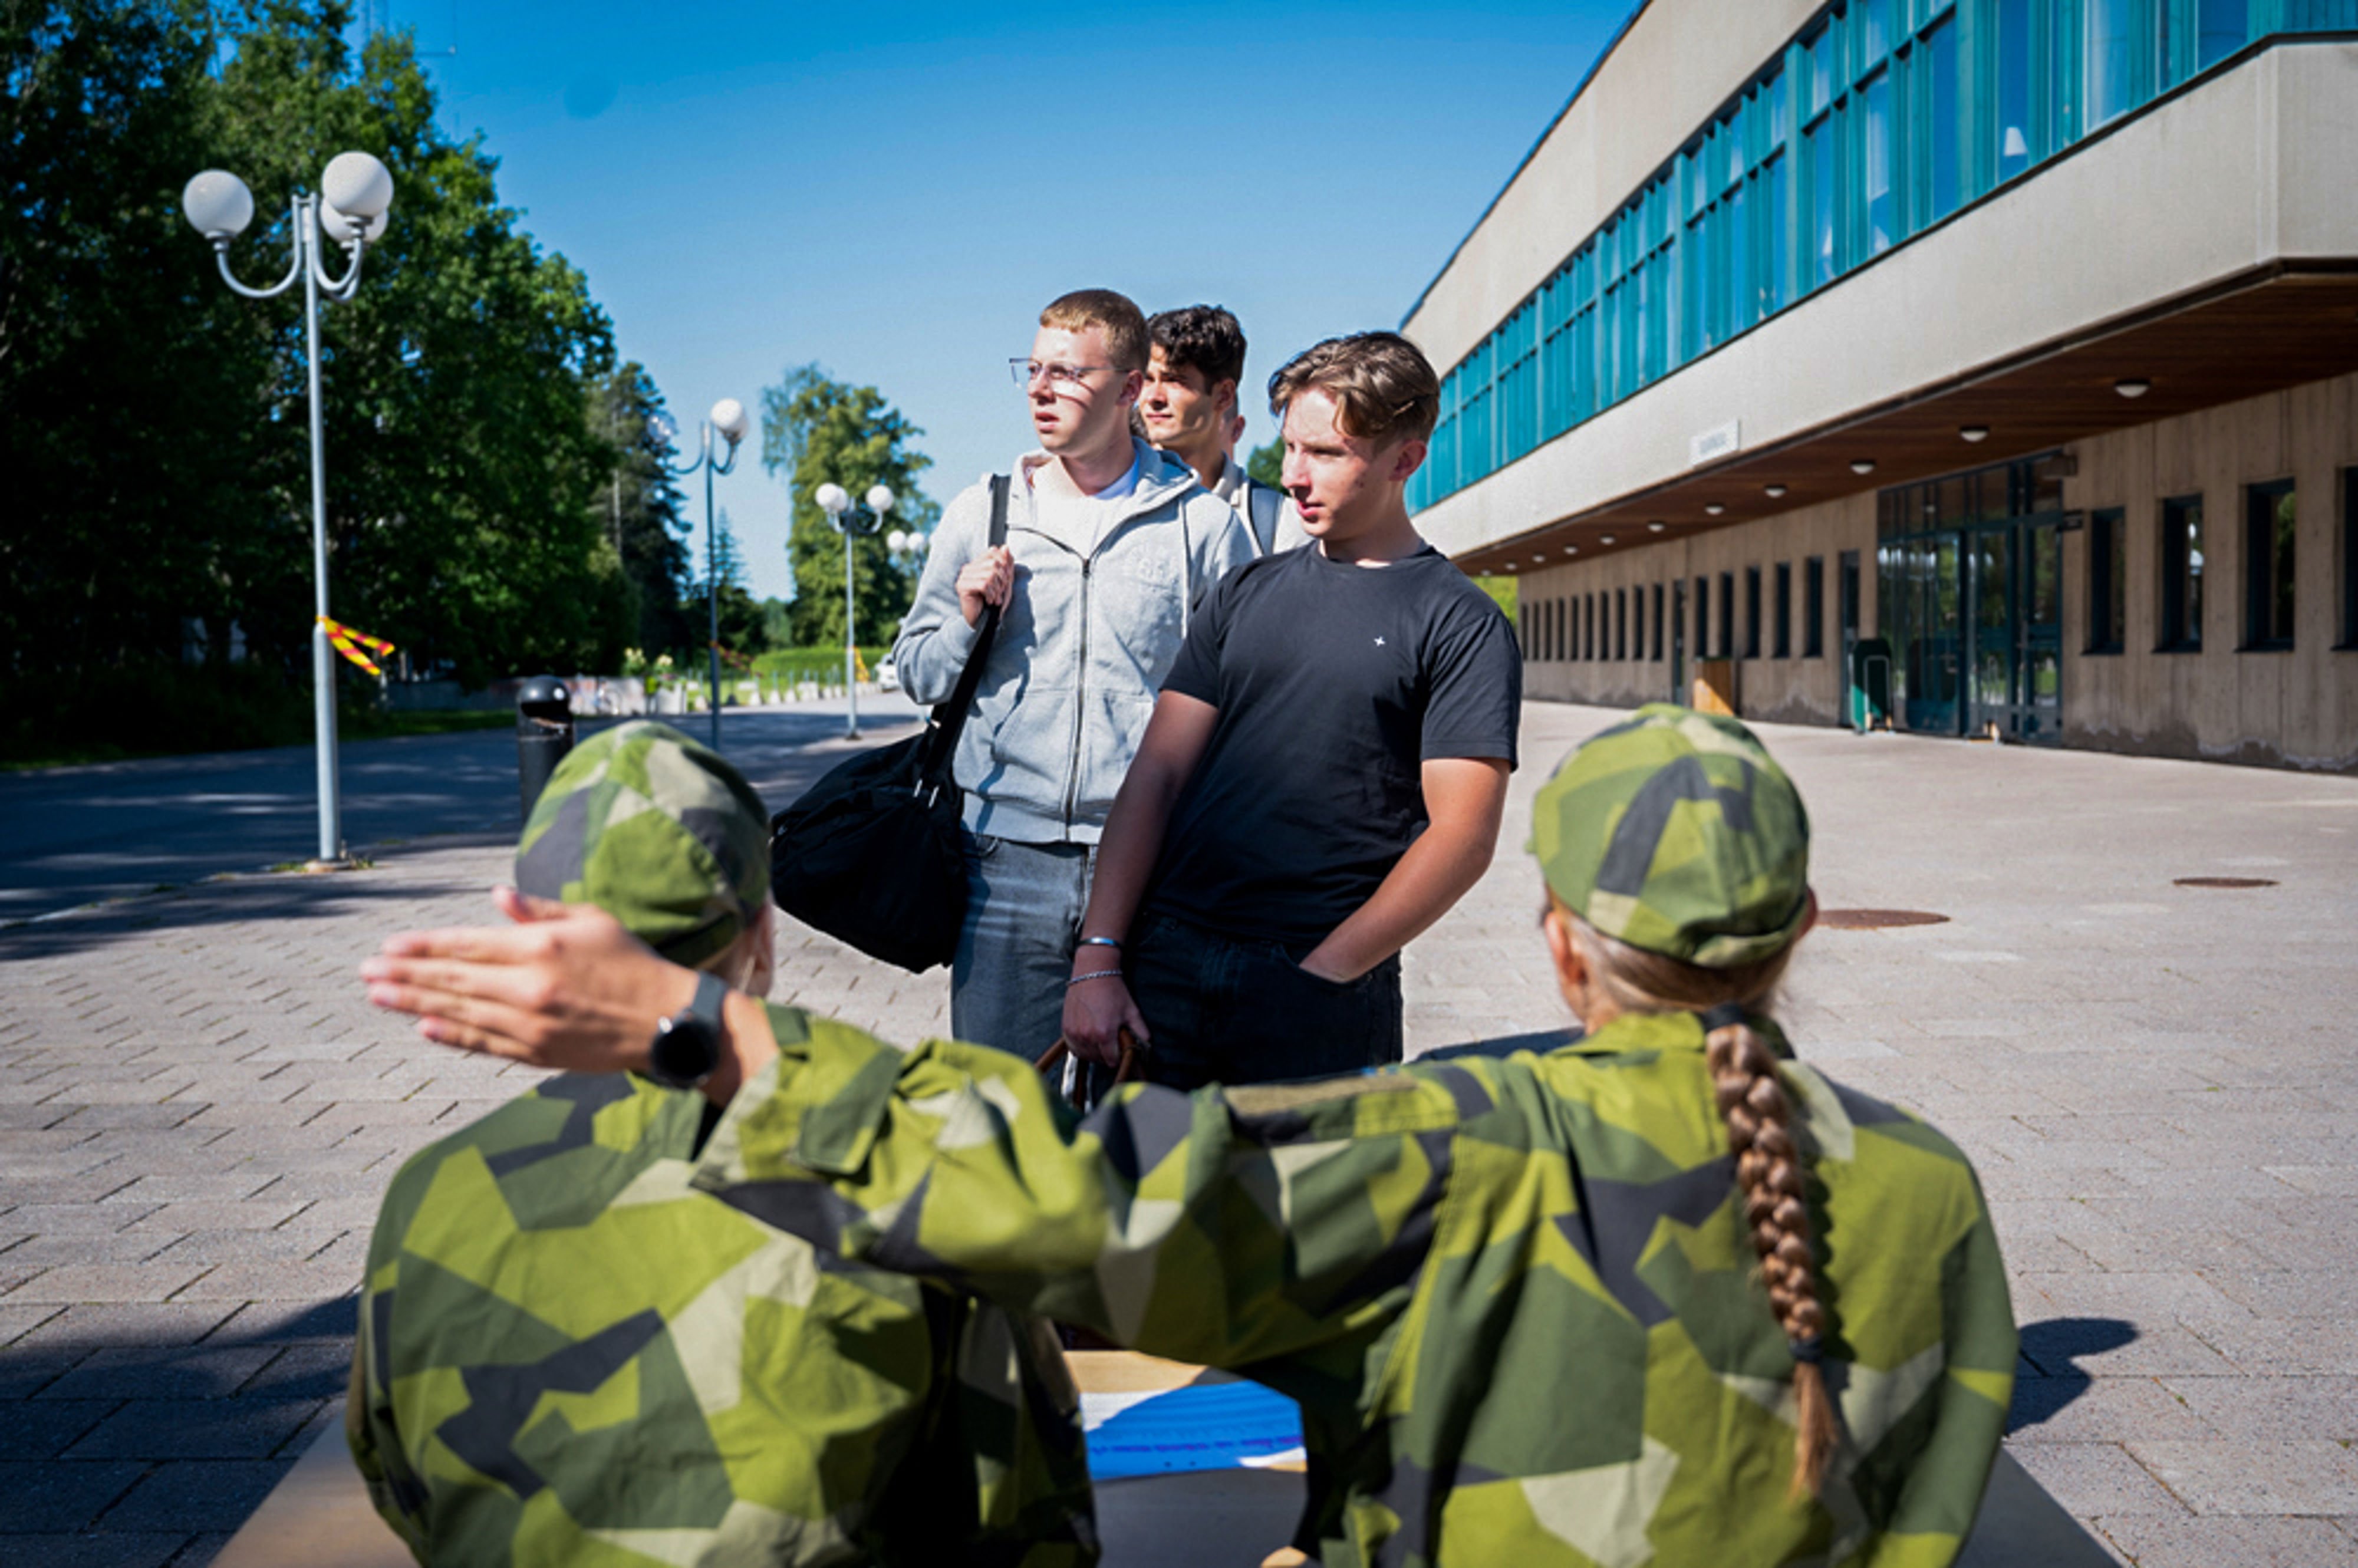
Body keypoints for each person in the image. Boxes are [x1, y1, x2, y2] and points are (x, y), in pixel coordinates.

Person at [361, 706, 2018, 1568]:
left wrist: (715, 1048)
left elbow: (1093, 1213)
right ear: (1802, 926)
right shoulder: (1929, 1193)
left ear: (1561, 941)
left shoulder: (1459, 1145)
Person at [347, 722, 1094, 1567]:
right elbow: (1019, 1505)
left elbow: (401, 1483)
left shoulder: (429, 1196)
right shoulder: (901, 1180)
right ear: (761, 939)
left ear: (537, 941)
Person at [1065, 331, 1521, 1090]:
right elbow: (1157, 776)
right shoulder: (1243, 592)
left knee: (1307, 1179)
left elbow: (1462, 837)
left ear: (1405, 459)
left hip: (1320, 991)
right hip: (1165, 966)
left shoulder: (1459, 621)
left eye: (1327, 453)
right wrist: (1099, 954)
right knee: (1142, 1174)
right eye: (1291, 447)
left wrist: (1324, 975)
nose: (1294, 475)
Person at [889, 288, 1253, 1058]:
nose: (1040, 389)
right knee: (1003, 1107)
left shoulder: (1204, 527)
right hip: (1002, 865)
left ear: (1128, 389)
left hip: (1157, 866)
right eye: (1032, 370)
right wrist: (964, 619)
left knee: (1143, 1111)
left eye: (1067, 373)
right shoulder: (984, 513)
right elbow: (917, 671)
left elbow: (1246, 703)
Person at [1138, 304, 1305, 556]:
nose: (1153, 397)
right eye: (1147, 379)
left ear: (1224, 395)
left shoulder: (1279, 526)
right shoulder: (1108, 502)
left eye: (1174, 380)